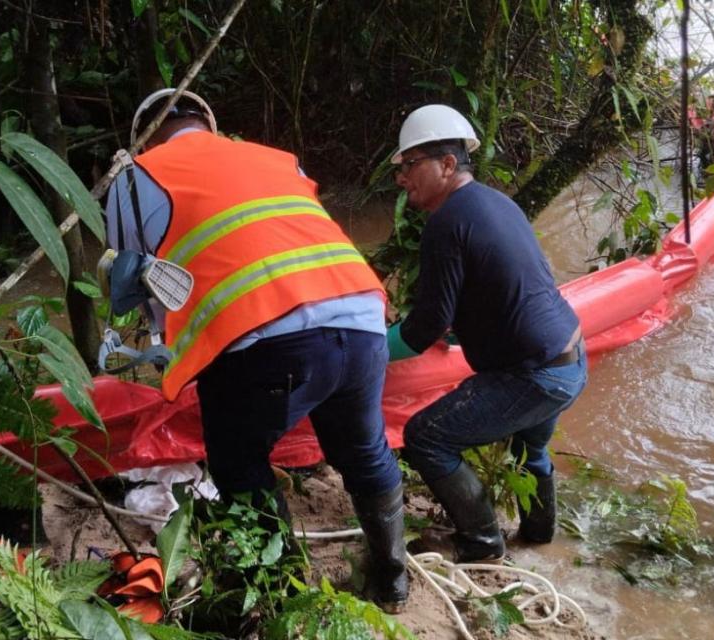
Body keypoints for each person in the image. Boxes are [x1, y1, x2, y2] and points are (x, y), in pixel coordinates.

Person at [104, 88, 407, 611]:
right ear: (209, 124)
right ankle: (392, 581)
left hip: (264, 339)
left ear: (145, 138)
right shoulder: (275, 159)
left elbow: (137, 287)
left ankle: (277, 595)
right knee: (364, 450)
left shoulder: (134, 177)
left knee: (239, 462)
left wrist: (169, 354)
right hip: (362, 317)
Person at [386, 104, 587, 562]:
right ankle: (538, 538)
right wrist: (461, 332)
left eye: (411, 164)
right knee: (529, 450)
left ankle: (482, 543)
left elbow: (423, 329)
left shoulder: (446, 222)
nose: (402, 177)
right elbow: (509, 286)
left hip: (532, 375)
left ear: (448, 164)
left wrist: (366, 350)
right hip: (570, 356)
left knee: (425, 437)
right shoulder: (497, 201)